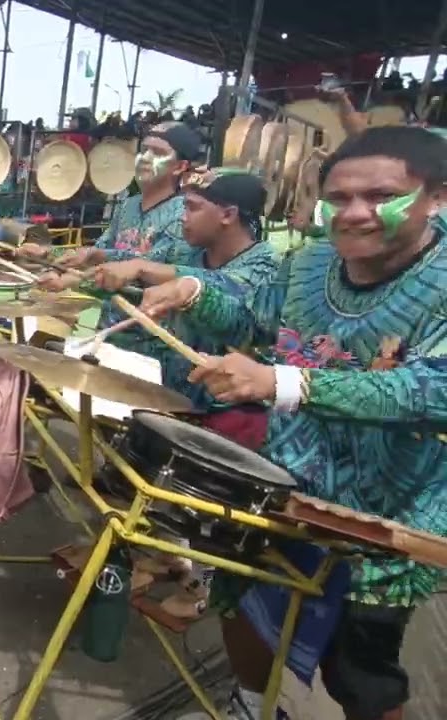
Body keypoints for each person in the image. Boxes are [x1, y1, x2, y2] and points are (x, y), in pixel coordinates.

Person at [143, 126, 447, 720]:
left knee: (358, 672)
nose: (354, 214)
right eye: (338, 198)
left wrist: (285, 382)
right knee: (244, 603)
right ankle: (252, 704)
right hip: (284, 485)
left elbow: (433, 389)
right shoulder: (307, 265)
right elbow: (251, 324)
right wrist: (190, 290)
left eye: (381, 196)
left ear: (435, 197)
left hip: (388, 515)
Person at [91, 168, 281, 619]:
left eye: (194, 207)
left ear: (228, 215)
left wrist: (161, 275)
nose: (182, 217)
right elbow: (143, 266)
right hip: (175, 397)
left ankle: (203, 587)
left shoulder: (263, 267)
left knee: (209, 516)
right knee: (139, 485)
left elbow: (224, 294)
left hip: (231, 414)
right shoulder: (187, 250)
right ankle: (161, 557)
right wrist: (91, 266)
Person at [34, 124, 204, 286]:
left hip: (148, 313)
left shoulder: (184, 214)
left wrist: (74, 279)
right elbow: (97, 252)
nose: (145, 159)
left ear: (180, 166)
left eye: (158, 153)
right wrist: (57, 270)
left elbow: (152, 269)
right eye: (144, 150)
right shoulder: (129, 205)